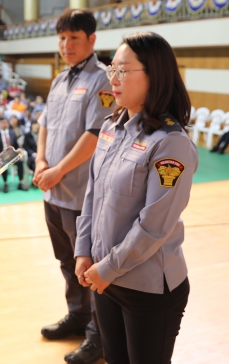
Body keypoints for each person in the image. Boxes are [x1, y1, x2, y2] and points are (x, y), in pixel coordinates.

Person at [75, 31, 195, 364]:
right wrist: (83, 251)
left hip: (148, 287)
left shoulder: (170, 142)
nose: (112, 78)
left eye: (123, 71)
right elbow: (93, 194)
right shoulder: (112, 126)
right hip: (106, 277)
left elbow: (154, 227)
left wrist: (107, 268)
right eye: (112, 68)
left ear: (154, 75)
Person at [34, 9, 114, 364]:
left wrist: (59, 171)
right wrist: (40, 162)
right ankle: (78, 318)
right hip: (53, 193)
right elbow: (45, 125)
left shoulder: (102, 80)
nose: (66, 45)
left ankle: (99, 336)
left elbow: (95, 135)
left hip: (81, 194)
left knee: (90, 268)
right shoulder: (60, 79)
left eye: (74, 38)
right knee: (67, 262)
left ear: (91, 40)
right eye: (62, 38)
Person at [0, 117, 28, 192]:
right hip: (1, 155)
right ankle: (5, 183)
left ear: (7, 123)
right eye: (2, 123)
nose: (4, 124)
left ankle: (20, 182)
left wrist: (19, 150)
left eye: (5, 122)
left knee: (20, 162)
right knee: (3, 164)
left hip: (12, 155)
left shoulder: (12, 132)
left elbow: (16, 145)